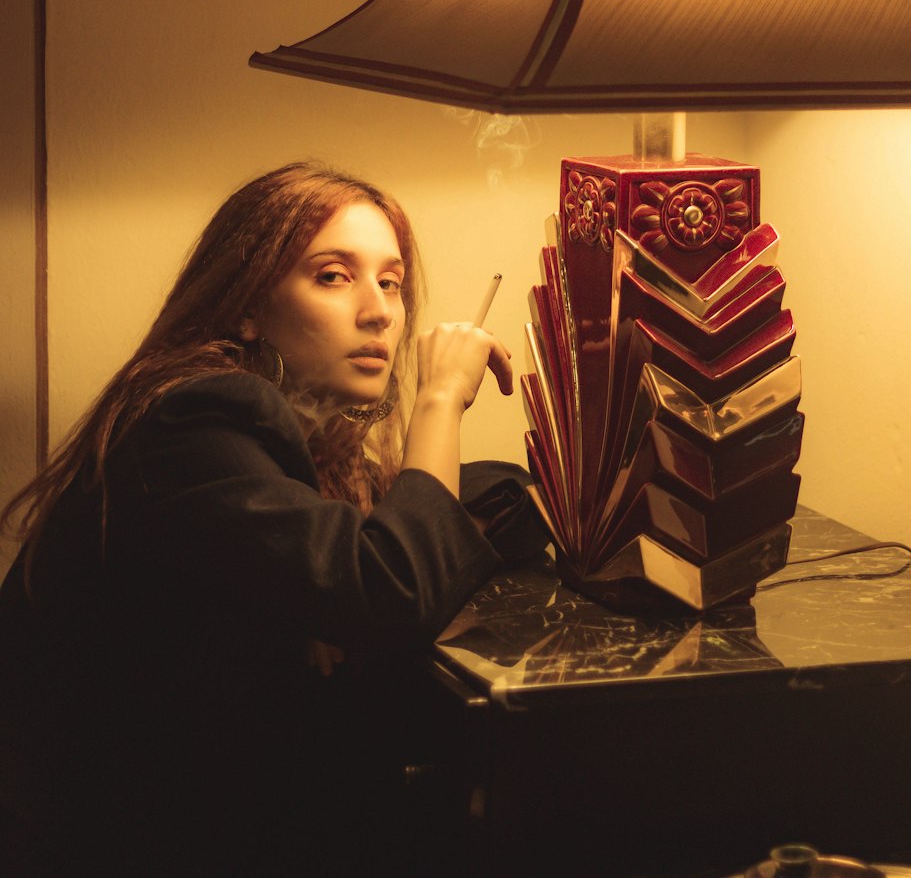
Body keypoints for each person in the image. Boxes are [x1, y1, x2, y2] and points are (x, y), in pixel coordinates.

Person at [0, 162, 547, 877]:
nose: (379, 311)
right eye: (332, 276)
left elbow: (398, 537)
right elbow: (389, 591)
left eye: (390, 281)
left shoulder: (293, 437)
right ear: (247, 305)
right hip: (116, 841)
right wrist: (442, 397)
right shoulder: (196, 418)